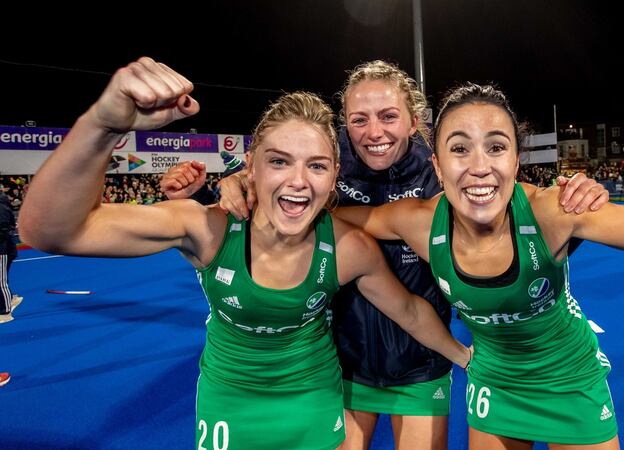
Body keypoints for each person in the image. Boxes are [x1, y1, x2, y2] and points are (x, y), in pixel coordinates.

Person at [17, 57, 472, 450]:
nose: (298, 179)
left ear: (333, 176)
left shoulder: (371, 232)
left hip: (345, 391)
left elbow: (413, 308)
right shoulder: (210, 227)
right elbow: (49, 230)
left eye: (315, 166)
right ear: (249, 167)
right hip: (280, 390)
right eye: (278, 162)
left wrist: (469, 355)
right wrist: (103, 124)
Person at [165, 61, 610, 449]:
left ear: (414, 120)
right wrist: (230, 185)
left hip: (421, 361)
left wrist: (573, 204)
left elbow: (517, 221)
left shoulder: (446, 175)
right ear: (344, 125)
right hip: (343, 365)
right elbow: (277, 193)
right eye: (359, 120)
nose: (374, 132)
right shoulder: (326, 170)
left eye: (389, 116)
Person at [327, 83, 624, 449]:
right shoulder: (418, 222)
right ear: (437, 164)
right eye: (460, 149)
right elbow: (337, 216)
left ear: (517, 160)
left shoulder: (553, 211)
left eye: (496, 148)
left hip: (570, 381)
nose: (479, 166)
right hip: (494, 383)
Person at [1, 191, 22, 324]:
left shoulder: (1, 208)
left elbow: (4, 229)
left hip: (2, 248)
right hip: (5, 247)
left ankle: (5, 312)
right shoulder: (3, 206)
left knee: (1, 281)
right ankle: (9, 299)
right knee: (2, 278)